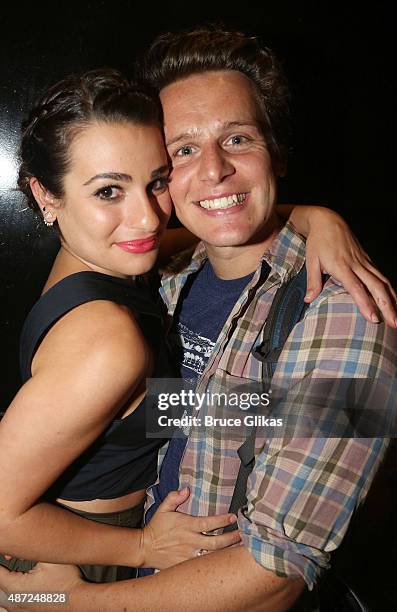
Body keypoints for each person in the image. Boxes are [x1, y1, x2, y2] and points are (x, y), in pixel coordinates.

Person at [0, 29, 396, 610]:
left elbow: (277, 575)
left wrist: (64, 602)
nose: (213, 171)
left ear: (276, 152)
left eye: (238, 139)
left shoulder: (354, 315)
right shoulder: (164, 270)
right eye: (183, 151)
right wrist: (314, 214)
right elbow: (187, 406)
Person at [0, 68, 244, 584]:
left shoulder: (99, 271)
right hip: (77, 556)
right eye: (109, 192)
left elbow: (202, 235)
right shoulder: (108, 341)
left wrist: (314, 219)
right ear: (46, 195)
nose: (150, 219)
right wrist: (140, 546)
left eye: (156, 183)